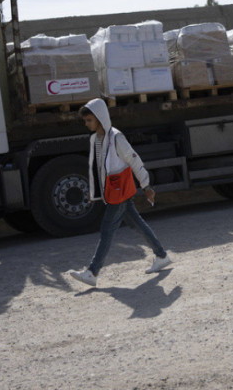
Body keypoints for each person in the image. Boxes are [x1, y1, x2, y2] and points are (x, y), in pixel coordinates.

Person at [67, 98, 172, 287]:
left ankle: (92, 272)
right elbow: (97, 168)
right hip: (113, 190)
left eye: (89, 120)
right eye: (86, 120)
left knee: (107, 229)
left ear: (100, 118)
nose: (86, 124)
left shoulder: (116, 138)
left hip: (119, 190)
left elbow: (134, 160)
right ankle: (162, 256)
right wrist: (93, 192)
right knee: (137, 223)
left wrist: (146, 185)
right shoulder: (96, 139)